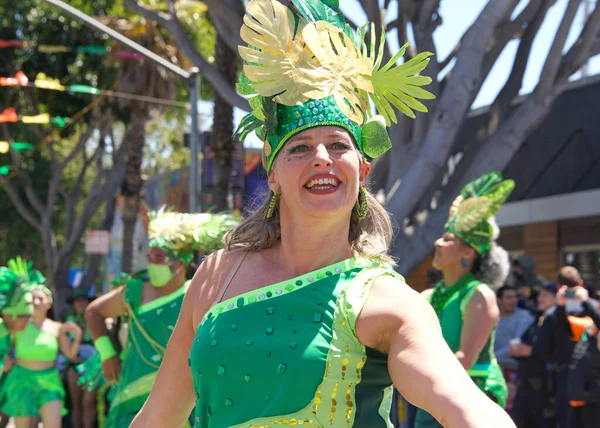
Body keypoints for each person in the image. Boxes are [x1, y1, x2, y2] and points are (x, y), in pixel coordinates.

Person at [131, 1, 516, 427]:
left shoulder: (387, 301)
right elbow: (158, 415)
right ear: (273, 174)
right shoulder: (217, 275)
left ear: (362, 170)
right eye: (299, 147)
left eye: (338, 145)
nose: (321, 158)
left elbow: (463, 404)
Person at [83, 210, 238, 428]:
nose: (152, 264)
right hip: (132, 396)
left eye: (159, 258)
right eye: (150, 258)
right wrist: (107, 354)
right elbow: (93, 312)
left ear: (179, 264)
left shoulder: (198, 294)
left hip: (183, 399)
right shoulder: (135, 290)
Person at [414, 171, 514, 428]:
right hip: (435, 394)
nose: (437, 242)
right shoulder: (427, 295)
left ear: (467, 253)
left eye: (447, 239)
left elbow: (465, 360)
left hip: (473, 396)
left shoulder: (479, 295)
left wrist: (412, 371)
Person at [0, 281, 82, 428]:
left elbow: (70, 355)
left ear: (48, 303)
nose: (36, 302)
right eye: (33, 299)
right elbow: (4, 345)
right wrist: (4, 360)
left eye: (40, 299)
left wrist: (77, 337)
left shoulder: (57, 328)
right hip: (22, 380)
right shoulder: (19, 325)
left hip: (49, 380)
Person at [552, 266, 598, 428]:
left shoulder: (592, 310)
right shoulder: (590, 325)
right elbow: (563, 330)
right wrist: (560, 306)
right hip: (577, 390)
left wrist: (585, 302)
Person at [509, 283, 558, 428]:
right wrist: (517, 351)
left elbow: (558, 353)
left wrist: (531, 351)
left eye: (545, 295)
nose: (539, 299)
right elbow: (525, 341)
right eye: (540, 295)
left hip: (544, 391)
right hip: (525, 387)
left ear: (556, 298)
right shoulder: (539, 319)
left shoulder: (559, 320)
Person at [0, 257, 37, 428]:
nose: (27, 321)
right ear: (9, 314)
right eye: (22, 316)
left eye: (29, 316)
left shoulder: (9, 333)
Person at [64, 287, 96, 428]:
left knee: (88, 403)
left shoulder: (96, 319)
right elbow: (64, 345)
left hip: (93, 366)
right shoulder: (68, 322)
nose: (81, 304)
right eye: (78, 301)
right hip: (74, 364)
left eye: (84, 301)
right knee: (76, 403)